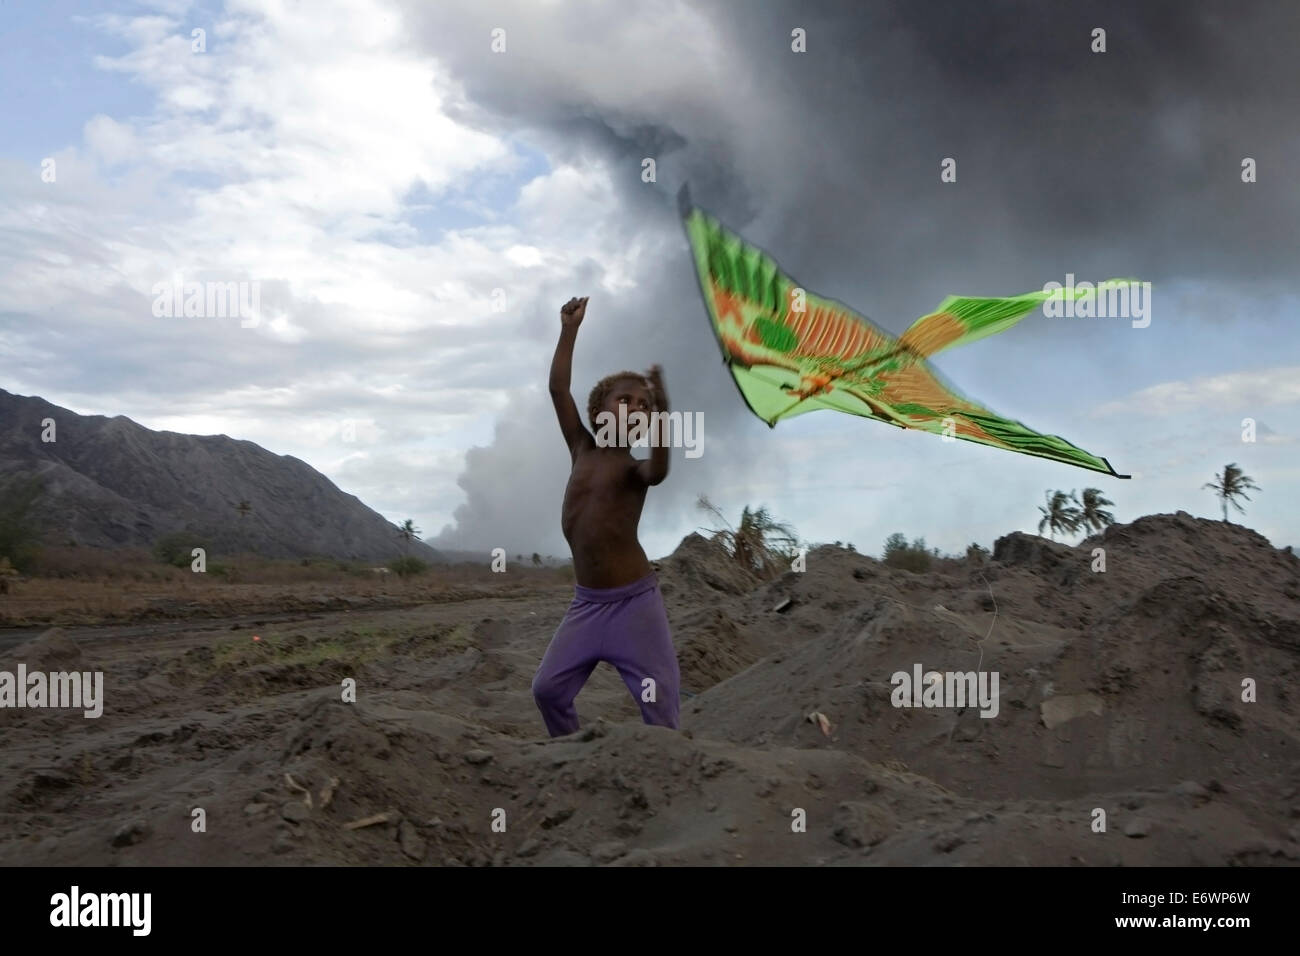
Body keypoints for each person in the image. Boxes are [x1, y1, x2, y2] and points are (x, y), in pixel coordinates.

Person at [531, 295, 680, 737]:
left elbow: (660, 470)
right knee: (548, 691)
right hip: (587, 605)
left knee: (659, 705)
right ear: (598, 412)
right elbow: (559, 389)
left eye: (644, 405)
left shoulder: (635, 468)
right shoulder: (581, 447)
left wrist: (665, 414)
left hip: (636, 604)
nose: (636, 408)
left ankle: (668, 770)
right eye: (626, 400)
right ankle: (573, 754)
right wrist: (569, 330)